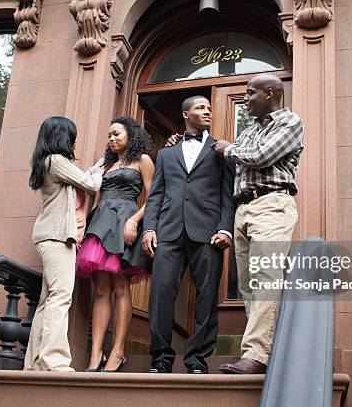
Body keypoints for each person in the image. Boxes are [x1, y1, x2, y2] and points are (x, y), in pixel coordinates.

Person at [213, 73, 304, 374]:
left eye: (250, 93)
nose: (245, 99)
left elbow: (263, 156)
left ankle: (256, 355)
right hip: (244, 208)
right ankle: (261, 353)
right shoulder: (249, 130)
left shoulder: (289, 122)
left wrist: (228, 149)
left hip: (272, 204)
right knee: (249, 287)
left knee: (266, 279)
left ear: (269, 93)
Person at [142, 95, 235, 374]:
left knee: (207, 296)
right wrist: (149, 227)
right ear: (186, 114)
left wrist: (225, 228)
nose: (207, 111)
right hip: (168, 231)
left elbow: (227, 195)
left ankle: (197, 360)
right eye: (200, 108)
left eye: (208, 108)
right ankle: (160, 358)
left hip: (207, 232)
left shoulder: (221, 150)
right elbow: (155, 194)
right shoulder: (166, 153)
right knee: (161, 293)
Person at [76, 116, 155, 373]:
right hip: (100, 223)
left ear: (130, 135)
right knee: (100, 289)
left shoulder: (142, 160)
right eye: (109, 135)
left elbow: (153, 196)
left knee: (121, 285)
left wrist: (134, 221)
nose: (111, 139)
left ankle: (118, 351)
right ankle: (95, 353)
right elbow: (94, 199)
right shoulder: (104, 165)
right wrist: (83, 231)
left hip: (125, 222)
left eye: (116, 134)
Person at [26, 116, 103, 372]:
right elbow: (90, 184)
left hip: (50, 235)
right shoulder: (57, 161)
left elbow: (82, 177)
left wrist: (97, 166)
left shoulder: (49, 162)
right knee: (60, 297)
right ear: (63, 137)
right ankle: (55, 360)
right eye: (72, 137)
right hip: (56, 236)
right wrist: (100, 172)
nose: (75, 141)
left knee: (48, 300)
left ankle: (36, 362)